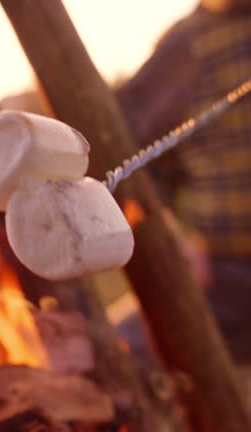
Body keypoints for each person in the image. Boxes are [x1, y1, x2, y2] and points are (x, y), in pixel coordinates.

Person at [116, 0, 251, 361]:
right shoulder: (189, 43)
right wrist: (174, 235)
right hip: (226, 273)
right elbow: (130, 150)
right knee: (118, 353)